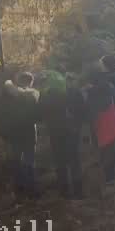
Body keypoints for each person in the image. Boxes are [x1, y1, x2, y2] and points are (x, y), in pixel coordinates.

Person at [37, 69, 86, 199]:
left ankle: (64, 192)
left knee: (60, 162)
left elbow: (39, 115)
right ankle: (78, 191)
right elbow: (83, 111)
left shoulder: (45, 96)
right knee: (75, 161)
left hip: (55, 133)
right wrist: (78, 126)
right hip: (72, 131)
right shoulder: (74, 92)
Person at [0, 73, 40, 196]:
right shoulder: (34, 94)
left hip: (14, 134)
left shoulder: (9, 95)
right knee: (29, 162)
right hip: (30, 134)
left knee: (16, 161)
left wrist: (1, 132)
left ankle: (20, 191)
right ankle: (32, 191)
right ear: (30, 82)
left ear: (18, 80)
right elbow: (38, 116)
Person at [86, 64, 115, 183]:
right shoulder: (110, 87)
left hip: (103, 134)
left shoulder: (90, 94)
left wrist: (94, 140)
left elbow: (91, 118)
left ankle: (111, 188)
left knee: (108, 166)